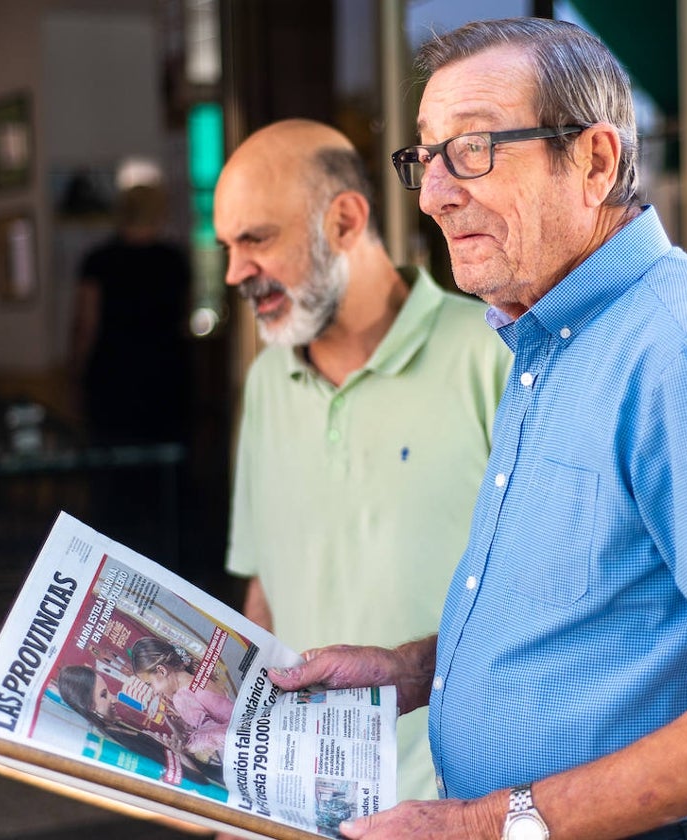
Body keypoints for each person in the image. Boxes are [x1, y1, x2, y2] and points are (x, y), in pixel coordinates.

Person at [269, 17, 687, 840]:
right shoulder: (543, 334)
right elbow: (598, 623)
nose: (432, 194)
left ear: (596, 162)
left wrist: (477, 828)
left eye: (472, 149)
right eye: (427, 157)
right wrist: (409, 671)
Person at [216, 119, 512, 803]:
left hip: (454, 804)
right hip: (300, 801)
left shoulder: (492, 356)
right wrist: (234, 781)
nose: (235, 272)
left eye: (256, 239)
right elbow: (266, 589)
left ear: (346, 220)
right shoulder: (266, 381)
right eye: (229, 247)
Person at [69, 176, 192, 447]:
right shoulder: (173, 261)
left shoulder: (100, 260)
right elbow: (184, 317)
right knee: (163, 470)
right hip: (164, 376)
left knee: (115, 465)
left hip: (113, 377)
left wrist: (76, 374)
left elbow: (86, 324)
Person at [55, 663, 222, 788]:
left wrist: (177, 738)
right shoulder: (120, 744)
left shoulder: (120, 727)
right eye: (104, 695)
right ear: (90, 707)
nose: (114, 699)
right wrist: (179, 754)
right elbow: (198, 782)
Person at [129, 636, 235, 768]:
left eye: (149, 684)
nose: (154, 692)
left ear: (162, 671)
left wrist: (185, 746)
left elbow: (219, 736)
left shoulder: (181, 697)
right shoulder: (197, 678)